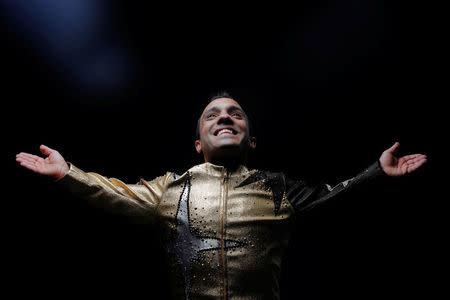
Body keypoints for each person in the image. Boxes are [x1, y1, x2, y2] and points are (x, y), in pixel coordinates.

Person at [16, 93, 427, 300]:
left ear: (252, 140)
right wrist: (67, 174)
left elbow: (335, 197)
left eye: (235, 113)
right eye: (212, 115)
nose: (225, 117)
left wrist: (377, 173)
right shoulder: (170, 188)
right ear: (198, 143)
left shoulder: (276, 187)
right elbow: (112, 193)